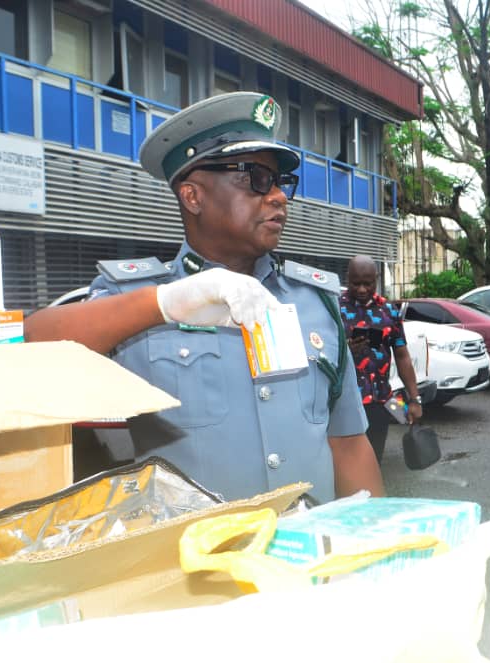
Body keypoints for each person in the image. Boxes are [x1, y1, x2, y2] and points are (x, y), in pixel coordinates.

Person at [24, 92, 383, 503]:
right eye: (255, 178)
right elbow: (27, 346)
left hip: (307, 560)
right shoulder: (137, 301)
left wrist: (388, 555)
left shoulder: (315, 302)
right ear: (193, 196)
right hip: (193, 564)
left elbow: (349, 444)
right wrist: (164, 305)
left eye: (280, 182)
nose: (278, 196)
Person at [340, 256, 424, 463]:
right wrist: (345, 351)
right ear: (347, 279)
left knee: (374, 461)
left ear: (376, 279)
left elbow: (402, 356)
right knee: (346, 465)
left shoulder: (388, 311)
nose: (361, 289)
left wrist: (414, 399)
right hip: (344, 404)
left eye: (367, 283)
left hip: (379, 403)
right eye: (355, 283)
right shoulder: (334, 308)